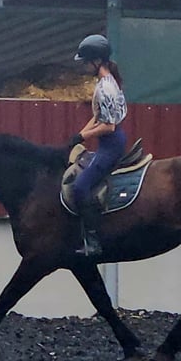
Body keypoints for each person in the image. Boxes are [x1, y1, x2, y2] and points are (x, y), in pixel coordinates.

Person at [67, 34, 128, 257]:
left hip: (111, 144)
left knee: (80, 187)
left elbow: (109, 126)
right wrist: (79, 135)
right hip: (108, 141)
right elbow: (97, 116)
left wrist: (85, 135)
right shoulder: (106, 82)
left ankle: (93, 241)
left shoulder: (105, 89)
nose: (84, 66)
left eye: (86, 62)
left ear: (96, 61)